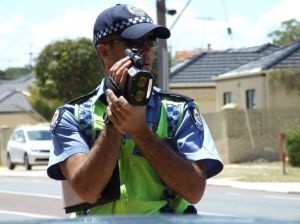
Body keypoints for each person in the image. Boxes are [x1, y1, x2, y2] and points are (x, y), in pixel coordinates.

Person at [47, 4, 223, 216]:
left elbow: (194, 191)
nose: (147, 50)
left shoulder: (179, 110)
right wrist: (113, 126)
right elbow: (87, 191)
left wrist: (140, 132)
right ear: (104, 51)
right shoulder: (72, 116)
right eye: (135, 43)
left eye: (151, 41)